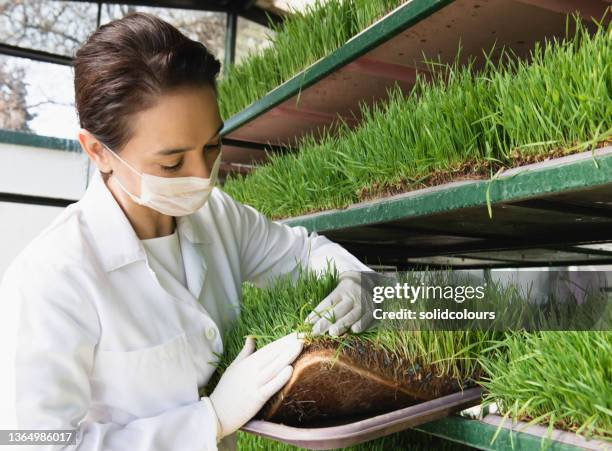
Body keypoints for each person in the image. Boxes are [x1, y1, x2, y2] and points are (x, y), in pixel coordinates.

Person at [0, 12, 374, 451]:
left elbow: (304, 253)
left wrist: (359, 282)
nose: (202, 176)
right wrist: (207, 420)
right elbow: (29, 442)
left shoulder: (218, 216)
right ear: (98, 151)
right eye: (172, 163)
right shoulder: (52, 276)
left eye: (212, 146)